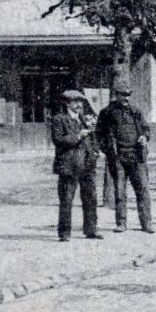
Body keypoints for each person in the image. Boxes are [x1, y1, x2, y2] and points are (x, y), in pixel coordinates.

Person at [96, 83, 153, 233]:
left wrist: (144, 137)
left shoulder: (136, 111)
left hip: (137, 156)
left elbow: (146, 129)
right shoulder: (107, 113)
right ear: (116, 95)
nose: (126, 98)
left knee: (143, 189)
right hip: (118, 156)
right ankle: (121, 223)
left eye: (128, 95)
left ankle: (147, 223)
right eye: (123, 94)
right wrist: (107, 149)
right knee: (120, 190)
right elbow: (99, 135)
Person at [50, 89, 102, 242]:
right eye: (75, 102)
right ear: (67, 103)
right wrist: (78, 136)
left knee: (91, 199)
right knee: (66, 200)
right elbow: (58, 139)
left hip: (87, 165)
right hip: (69, 165)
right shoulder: (59, 119)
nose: (79, 105)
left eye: (81, 102)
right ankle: (64, 233)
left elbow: (92, 137)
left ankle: (91, 230)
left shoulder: (83, 119)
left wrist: (94, 151)